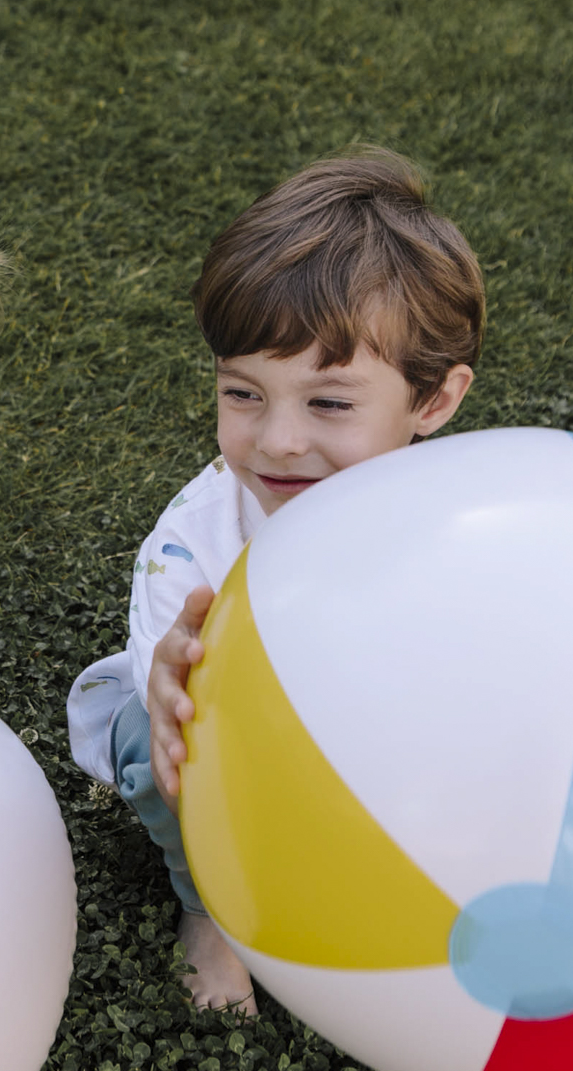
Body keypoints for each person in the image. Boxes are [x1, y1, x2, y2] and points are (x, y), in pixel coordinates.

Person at [66, 146, 485, 1014]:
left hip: (373, 735)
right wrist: (178, 671)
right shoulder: (198, 540)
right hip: (229, 742)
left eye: (329, 403)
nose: (278, 441)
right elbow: (173, 703)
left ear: (434, 403)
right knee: (163, 740)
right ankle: (213, 910)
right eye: (243, 394)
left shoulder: (461, 521)